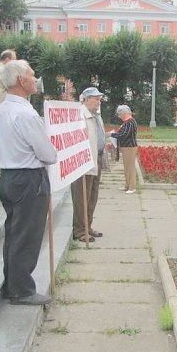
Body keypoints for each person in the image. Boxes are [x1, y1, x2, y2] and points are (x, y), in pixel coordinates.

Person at [0, 60, 57, 306]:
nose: (35, 79)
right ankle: (21, 290)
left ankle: (13, 284)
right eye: (31, 75)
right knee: (27, 236)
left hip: (8, 176)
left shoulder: (0, 111)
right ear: (21, 80)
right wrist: (54, 151)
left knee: (14, 233)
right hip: (29, 179)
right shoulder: (26, 114)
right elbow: (47, 154)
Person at [71, 87, 106, 242]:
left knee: (92, 195)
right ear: (85, 99)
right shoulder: (79, 116)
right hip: (83, 160)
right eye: (96, 99)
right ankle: (79, 230)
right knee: (81, 196)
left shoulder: (96, 115)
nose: (99, 102)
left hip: (96, 157)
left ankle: (88, 226)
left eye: (99, 99)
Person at [111, 105, 138, 193]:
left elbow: (124, 135)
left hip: (130, 147)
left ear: (124, 113)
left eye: (120, 114)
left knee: (130, 168)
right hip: (126, 147)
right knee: (127, 167)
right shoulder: (127, 122)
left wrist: (112, 135)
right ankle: (127, 185)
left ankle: (132, 187)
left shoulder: (130, 122)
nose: (119, 116)